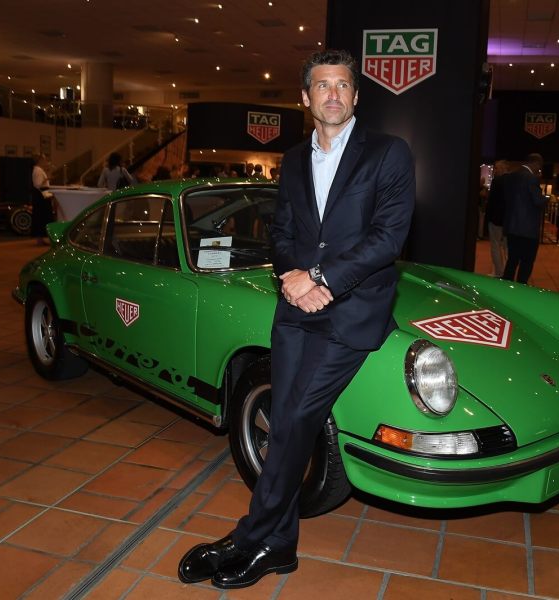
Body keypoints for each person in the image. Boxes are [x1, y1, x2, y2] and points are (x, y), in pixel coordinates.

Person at [177, 48, 415, 590]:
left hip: (353, 313)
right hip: (294, 308)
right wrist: (292, 278)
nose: (333, 94)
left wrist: (323, 280)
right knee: (284, 421)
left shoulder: (389, 153)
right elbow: (280, 233)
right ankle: (278, 546)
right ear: (305, 98)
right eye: (322, 86)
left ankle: (249, 535)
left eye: (342, 86)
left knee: (293, 421)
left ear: (356, 95)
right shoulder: (291, 158)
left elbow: (388, 239)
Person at [500, 153, 545, 283]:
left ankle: (506, 287)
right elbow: (538, 201)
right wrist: (545, 199)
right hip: (528, 230)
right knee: (526, 262)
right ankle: (521, 289)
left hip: (512, 227)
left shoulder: (510, 177)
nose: (539, 169)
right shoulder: (531, 178)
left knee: (512, 260)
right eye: (539, 166)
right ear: (536, 164)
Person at [485, 159, 509, 277]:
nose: (495, 170)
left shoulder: (497, 181)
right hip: (508, 220)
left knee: (495, 247)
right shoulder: (512, 181)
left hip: (495, 219)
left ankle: (499, 273)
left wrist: (488, 217)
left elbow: (492, 201)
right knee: (507, 247)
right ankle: (509, 273)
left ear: (502, 168)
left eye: (497, 168)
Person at [30, 153, 57, 245]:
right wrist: (47, 178)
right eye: (44, 160)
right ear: (40, 161)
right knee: (41, 216)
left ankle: (40, 238)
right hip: (41, 195)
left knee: (42, 216)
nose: (45, 162)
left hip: (41, 195)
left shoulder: (39, 170)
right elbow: (38, 184)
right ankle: (40, 238)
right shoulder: (38, 170)